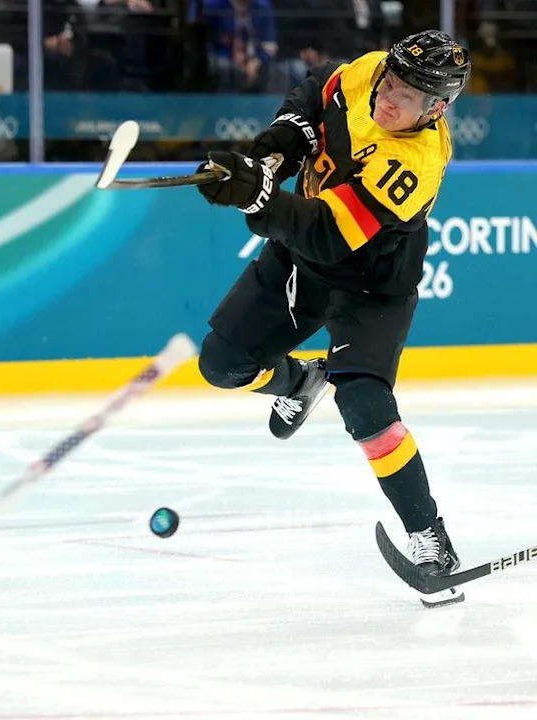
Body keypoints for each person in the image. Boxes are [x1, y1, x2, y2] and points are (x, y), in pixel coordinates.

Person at [193, 30, 471, 607]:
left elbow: (325, 233)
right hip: (300, 261)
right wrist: (269, 158)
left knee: (365, 405)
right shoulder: (371, 74)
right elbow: (310, 99)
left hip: (370, 287)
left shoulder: (414, 164)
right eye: (391, 81)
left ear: (438, 109)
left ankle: (431, 540)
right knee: (222, 364)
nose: (388, 96)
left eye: (408, 95)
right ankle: (298, 381)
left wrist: (257, 199)